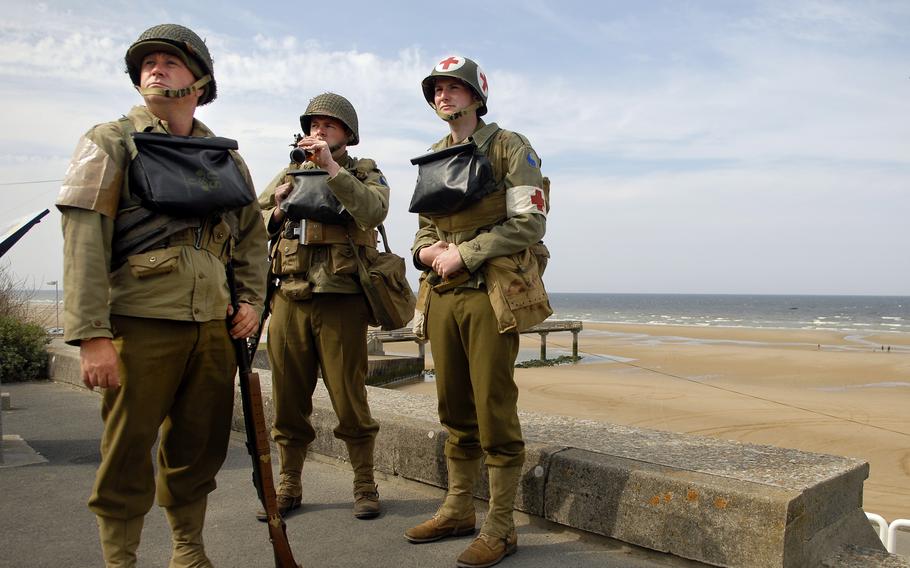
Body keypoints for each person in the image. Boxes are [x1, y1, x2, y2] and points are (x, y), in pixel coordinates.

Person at [55, 24, 267, 567]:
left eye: (169, 61)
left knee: (199, 448)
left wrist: (250, 299)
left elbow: (249, 238)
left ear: (199, 80)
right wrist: (92, 334)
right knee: (127, 451)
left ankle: (188, 552)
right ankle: (121, 560)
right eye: (147, 62)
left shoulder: (225, 157)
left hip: (213, 327)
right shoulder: (110, 141)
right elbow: (85, 239)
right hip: (138, 322)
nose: (154, 68)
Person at [404, 56, 550, 568]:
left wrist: (464, 252)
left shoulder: (509, 145)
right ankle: (458, 508)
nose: (443, 96)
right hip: (442, 294)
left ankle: (501, 526)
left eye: (453, 88)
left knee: (493, 407)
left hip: (491, 293)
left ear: (475, 95)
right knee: (454, 407)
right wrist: (427, 252)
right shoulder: (433, 156)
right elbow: (425, 226)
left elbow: (531, 221)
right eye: (437, 89)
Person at [257, 93, 389, 521]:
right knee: (289, 399)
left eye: (329, 126)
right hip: (289, 298)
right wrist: (276, 210)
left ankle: (364, 483)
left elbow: (373, 210)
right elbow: (246, 224)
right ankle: (289, 483)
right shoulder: (291, 170)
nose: (319, 131)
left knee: (350, 398)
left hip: (341, 301)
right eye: (314, 124)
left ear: (347, 134)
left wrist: (331, 170)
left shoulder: (362, 170)